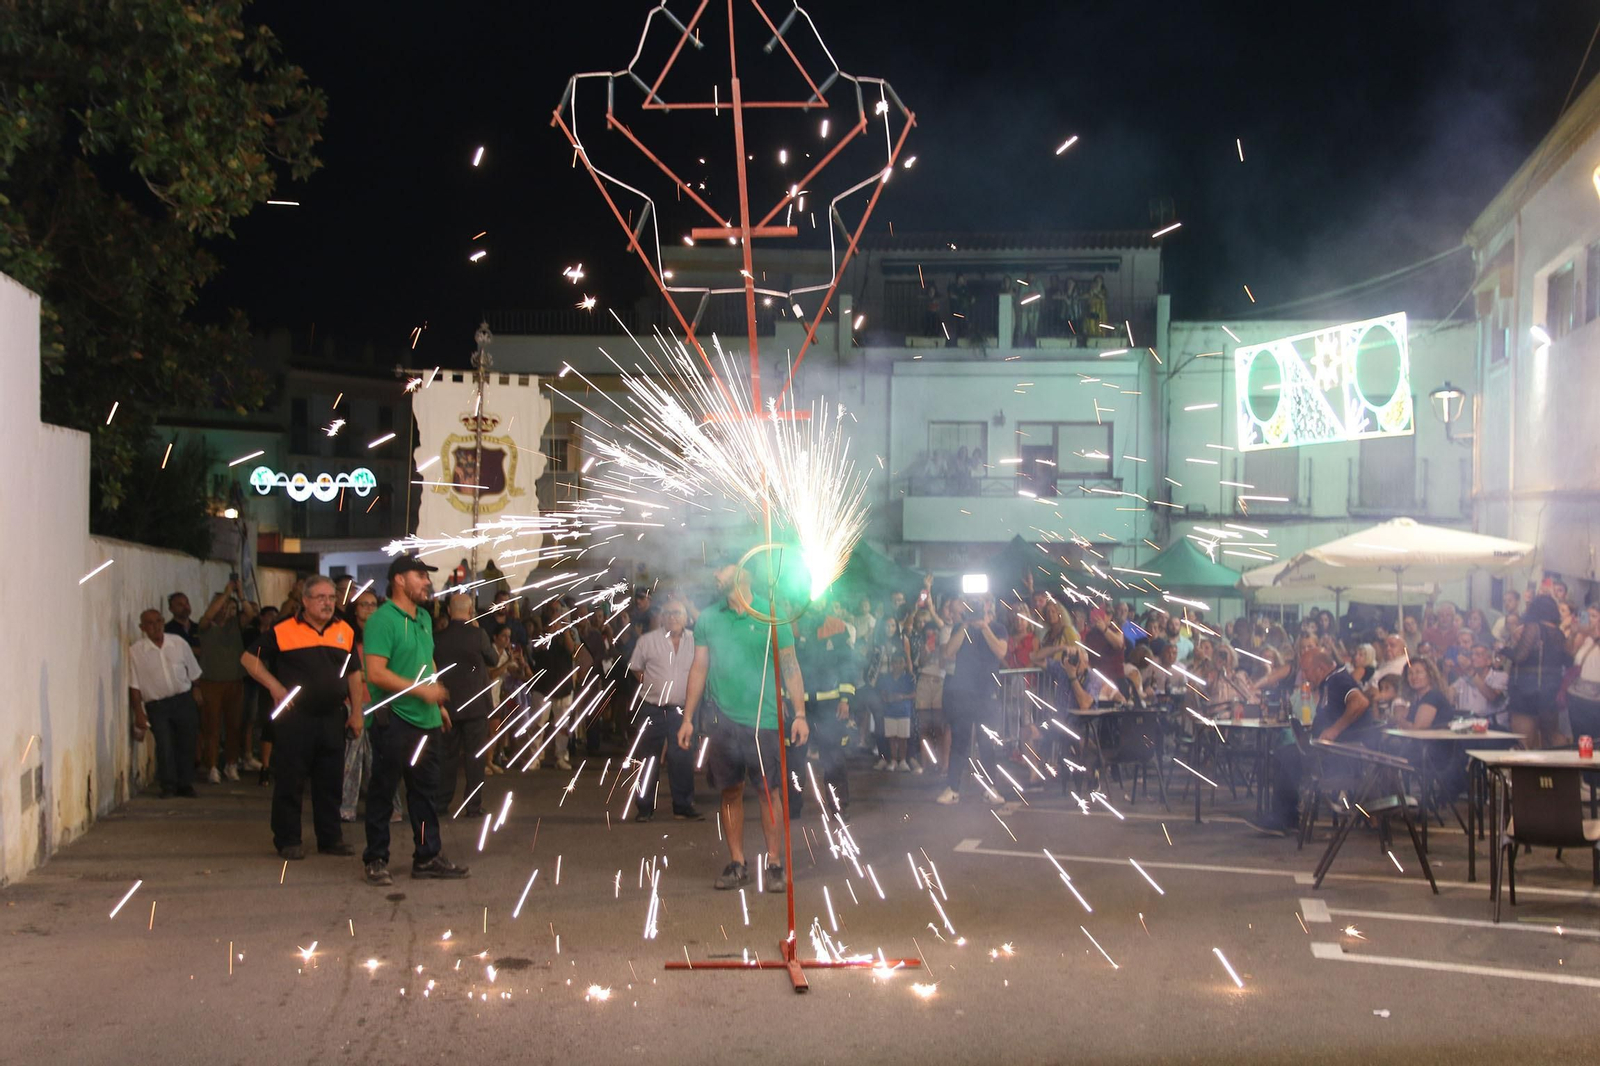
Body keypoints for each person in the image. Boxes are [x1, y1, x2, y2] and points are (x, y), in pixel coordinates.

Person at [676, 564, 808, 891]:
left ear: (743, 576)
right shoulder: (708, 618)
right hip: (722, 721)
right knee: (729, 791)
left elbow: (790, 666)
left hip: (764, 721)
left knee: (768, 792)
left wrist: (800, 713)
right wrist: (688, 718)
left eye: (722, 571)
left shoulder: (771, 614)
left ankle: (774, 863)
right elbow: (699, 668)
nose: (715, 575)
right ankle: (737, 863)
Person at [360, 555, 469, 885]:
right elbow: (376, 673)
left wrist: (439, 706)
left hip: (427, 721)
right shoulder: (382, 620)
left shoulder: (423, 617)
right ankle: (376, 858)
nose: (427, 581)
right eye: (420, 575)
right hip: (394, 720)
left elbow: (427, 661)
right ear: (399, 580)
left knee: (425, 794)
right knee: (383, 790)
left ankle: (427, 856)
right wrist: (422, 692)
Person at [240, 575, 363, 861]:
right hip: (296, 718)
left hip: (332, 716)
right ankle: (288, 839)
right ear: (305, 601)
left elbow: (354, 674)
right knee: (290, 779)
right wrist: (275, 686)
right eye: (320, 597)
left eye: (332, 598)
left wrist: (356, 712)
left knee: (330, 781)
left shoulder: (344, 630)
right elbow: (248, 659)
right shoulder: (285, 629)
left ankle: (330, 837)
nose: (327, 603)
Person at [1249, 649, 1372, 836]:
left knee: (1288, 756)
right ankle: (1287, 817)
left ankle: (1283, 818)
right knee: (1287, 753)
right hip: (1329, 753)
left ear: (1321, 668)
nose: (1304, 676)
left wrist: (1334, 729)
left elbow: (1360, 703)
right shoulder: (1329, 682)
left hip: (1341, 757)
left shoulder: (1338, 680)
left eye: (1306, 670)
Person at [628, 597, 701, 822]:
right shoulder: (648, 641)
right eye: (668, 613)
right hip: (653, 708)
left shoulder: (696, 641)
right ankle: (644, 808)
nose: (672, 617)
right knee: (648, 758)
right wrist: (654, 687)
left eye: (677, 613)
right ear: (661, 617)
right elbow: (636, 668)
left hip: (682, 710)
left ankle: (683, 806)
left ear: (686, 617)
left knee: (682, 757)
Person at [935, 594, 1008, 806]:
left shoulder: (998, 628)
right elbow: (948, 652)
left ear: (989, 605)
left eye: (982, 601)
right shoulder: (961, 626)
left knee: (987, 743)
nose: (978, 605)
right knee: (960, 742)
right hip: (963, 693)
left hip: (987, 692)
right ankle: (953, 788)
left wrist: (984, 627)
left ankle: (990, 788)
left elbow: (1001, 651)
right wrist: (966, 625)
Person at [432, 593, 500, 819]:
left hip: (449, 705)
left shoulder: (438, 637)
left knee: (448, 756)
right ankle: (473, 805)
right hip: (476, 706)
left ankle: (442, 802)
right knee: (474, 758)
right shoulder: (478, 634)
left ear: (449, 612)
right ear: (471, 611)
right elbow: (493, 659)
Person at [128, 608, 203, 798]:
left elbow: (194, 671)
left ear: (163, 622)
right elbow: (134, 685)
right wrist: (138, 711)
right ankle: (168, 785)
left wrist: (196, 690)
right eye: (150, 623)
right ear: (142, 627)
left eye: (159, 621)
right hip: (157, 705)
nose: (156, 627)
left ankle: (185, 784)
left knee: (186, 742)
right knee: (165, 744)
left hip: (183, 700)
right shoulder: (136, 652)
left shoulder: (178, 643)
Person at [794, 601, 859, 809]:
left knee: (833, 757)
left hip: (829, 705)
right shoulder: (793, 626)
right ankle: (792, 806)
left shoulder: (838, 626)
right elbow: (785, 666)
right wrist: (785, 699)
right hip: (799, 704)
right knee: (794, 757)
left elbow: (847, 665)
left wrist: (845, 699)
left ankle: (839, 805)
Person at [193, 580, 255, 782]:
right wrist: (226, 593)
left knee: (234, 725)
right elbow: (209, 615)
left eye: (231, 608)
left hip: (234, 681)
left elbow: (252, 615)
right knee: (212, 726)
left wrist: (240, 596)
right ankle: (211, 766)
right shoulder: (206, 627)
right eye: (225, 607)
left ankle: (230, 763)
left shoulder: (235, 626)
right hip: (211, 681)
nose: (229, 611)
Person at [1505, 593, 1570, 747]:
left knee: (1524, 741)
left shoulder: (1533, 627)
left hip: (1526, 691)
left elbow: (1520, 656)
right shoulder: (1559, 633)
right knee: (1551, 736)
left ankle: (1528, 771)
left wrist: (1503, 649)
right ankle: (1562, 766)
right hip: (1550, 691)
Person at [340, 589, 380, 821]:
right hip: (353, 703)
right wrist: (371, 675)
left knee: (377, 759)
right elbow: (348, 673)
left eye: (373, 604)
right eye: (364, 604)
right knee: (351, 761)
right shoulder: (347, 637)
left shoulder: (381, 636)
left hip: (377, 703)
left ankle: (383, 807)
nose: (368, 609)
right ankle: (346, 807)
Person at [528, 602, 578, 770]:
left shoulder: (568, 633)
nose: (556, 614)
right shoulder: (540, 632)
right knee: (537, 724)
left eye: (559, 611)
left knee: (562, 725)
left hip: (563, 687)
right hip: (543, 686)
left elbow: (572, 650)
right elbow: (538, 648)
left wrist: (564, 631)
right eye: (553, 611)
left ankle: (561, 756)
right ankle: (535, 756)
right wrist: (551, 630)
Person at [1566, 606, 1600, 744]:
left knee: (1595, 738)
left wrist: (1594, 635)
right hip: (1577, 695)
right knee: (1579, 738)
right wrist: (1574, 634)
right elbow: (1569, 654)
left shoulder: (1595, 638)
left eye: (1594, 616)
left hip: (1596, 698)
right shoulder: (1584, 638)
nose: (1589, 620)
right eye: (1587, 615)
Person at [877, 652, 916, 770]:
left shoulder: (909, 678)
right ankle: (893, 760)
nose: (897, 665)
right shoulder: (886, 678)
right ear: (891, 664)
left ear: (904, 664)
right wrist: (887, 698)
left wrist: (902, 697)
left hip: (904, 711)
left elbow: (914, 694)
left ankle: (903, 760)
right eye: (895, 662)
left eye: (900, 662)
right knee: (892, 737)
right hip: (889, 711)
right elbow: (882, 693)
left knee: (903, 738)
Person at [1451, 643, 1508, 721]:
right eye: (1471, 654)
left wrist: (1471, 671)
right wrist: (1446, 671)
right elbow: (1447, 697)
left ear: (1489, 661)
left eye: (1478, 654)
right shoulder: (1463, 680)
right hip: (1464, 727)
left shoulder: (1501, 677)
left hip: (1491, 728)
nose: (1473, 657)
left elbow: (1494, 697)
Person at [1392, 658, 1453, 730]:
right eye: (1410, 673)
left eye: (1418, 672)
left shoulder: (1433, 697)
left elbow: (1417, 730)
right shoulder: (1417, 700)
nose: (1414, 677)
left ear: (1430, 675)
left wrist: (1400, 721)